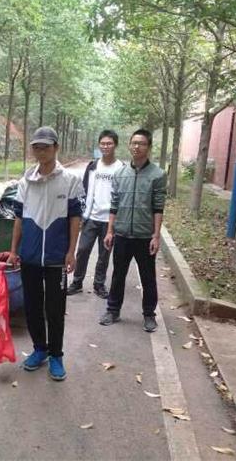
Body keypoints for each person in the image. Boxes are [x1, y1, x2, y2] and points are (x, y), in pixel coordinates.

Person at [7, 126, 83, 381]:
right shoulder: (25, 182)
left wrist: (71, 251)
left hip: (56, 258)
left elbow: (75, 218)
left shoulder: (70, 180)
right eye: (36, 147)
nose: (41, 151)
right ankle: (39, 349)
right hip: (29, 256)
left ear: (56, 148)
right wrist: (13, 250)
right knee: (32, 306)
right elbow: (19, 218)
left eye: (45, 147)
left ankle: (56, 355)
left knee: (55, 308)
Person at [98, 129, 167, 332]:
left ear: (149, 147)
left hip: (145, 236)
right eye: (134, 143)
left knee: (148, 278)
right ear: (129, 145)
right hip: (122, 235)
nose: (137, 146)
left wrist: (156, 236)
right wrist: (110, 231)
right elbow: (114, 205)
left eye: (142, 143)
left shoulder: (157, 175)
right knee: (118, 275)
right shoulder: (120, 173)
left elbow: (158, 207)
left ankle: (149, 315)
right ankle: (113, 310)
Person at [68, 130, 124, 298]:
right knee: (82, 250)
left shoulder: (121, 168)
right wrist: (82, 214)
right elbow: (84, 190)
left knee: (104, 254)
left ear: (115, 145)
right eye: (103, 143)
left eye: (109, 143)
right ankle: (77, 282)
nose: (105, 146)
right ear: (99, 145)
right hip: (91, 217)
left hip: (110, 220)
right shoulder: (93, 166)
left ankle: (99, 284)